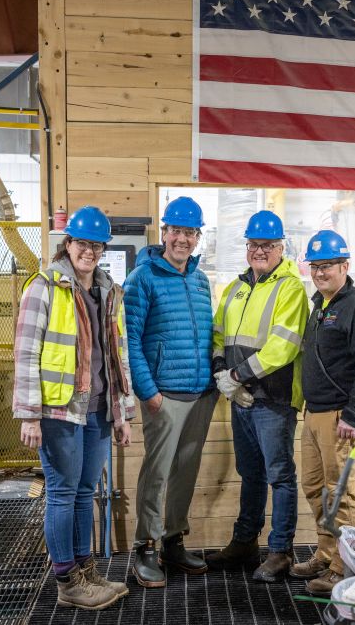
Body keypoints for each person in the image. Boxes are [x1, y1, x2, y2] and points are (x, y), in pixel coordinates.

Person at [13, 205, 136, 611]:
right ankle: (66, 580)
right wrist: (29, 413)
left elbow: (118, 355)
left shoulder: (107, 290)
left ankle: (86, 571)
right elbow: (26, 354)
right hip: (59, 411)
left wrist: (122, 412)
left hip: (98, 410)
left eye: (97, 244)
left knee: (86, 492)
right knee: (63, 494)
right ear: (68, 244)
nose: (90, 251)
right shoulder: (44, 287)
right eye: (83, 243)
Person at [206, 210, 309, 583]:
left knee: (280, 476)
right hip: (240, 398)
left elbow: (281, 348)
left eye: (268, 245)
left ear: (281, 247)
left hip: (273, 400)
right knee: (250, 473)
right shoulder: (235, 288)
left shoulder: (291, 289)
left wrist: (235, 377)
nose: (260, 251)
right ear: (247, 247)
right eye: (254, 244)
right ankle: (245, 542)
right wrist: (222, 372)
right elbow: (219, 333)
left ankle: (280, 550)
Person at [124, 196, 217, 588]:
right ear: (163, 233)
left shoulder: (199, 279)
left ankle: (173, 541)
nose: (182, 239)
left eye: (189, 232)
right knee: (157, 474)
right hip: (163, 395)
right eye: (175, 231)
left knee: (185, 473)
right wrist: (149, 392)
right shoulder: (141, 278)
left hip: (199, 395)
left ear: (198, 238)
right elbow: (131, 342)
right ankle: (145, 546)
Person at [290, 230, 355, 594]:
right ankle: (328, 554)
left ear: (345, 265)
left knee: (343, 495)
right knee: (316, 488)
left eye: (327, 266)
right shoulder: (321, 306)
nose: (319, 272)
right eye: (315, 266)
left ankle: (350, 567)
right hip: (314, 414)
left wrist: (354, 413)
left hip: (340, 418)